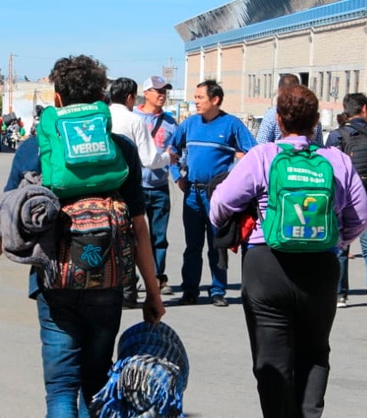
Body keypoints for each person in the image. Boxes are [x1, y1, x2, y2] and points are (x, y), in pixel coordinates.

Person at [0, 54, 165, 418]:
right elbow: (140, 226)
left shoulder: (36, 146)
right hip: (109, 285)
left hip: (54, 284)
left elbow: (9, 216)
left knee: (61, 389)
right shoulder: (120, 148)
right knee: (94, 383)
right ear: (100, 98)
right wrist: (153, 290)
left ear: (57, 99)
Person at [209, 85, 367, 418]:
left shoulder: (262, 157)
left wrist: (234, 225)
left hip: (268, 265)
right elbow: (361, 216)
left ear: (278, 120)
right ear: (317, 123)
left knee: (272, 357)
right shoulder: (336, 161)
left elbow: (220, 205)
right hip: (320, 265)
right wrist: (336, 242)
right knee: (315, 349)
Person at [169, 79, 256, 307]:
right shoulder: (189, 124)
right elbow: (172, 151)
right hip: (192, 195)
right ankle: (190, 290)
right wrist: (177, 176)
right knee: (192, 246)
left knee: (218, 244)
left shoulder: (231, 125)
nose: (195, 102)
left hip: (218, 196)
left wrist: (235, 177)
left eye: (200, 97)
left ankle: (218, 290)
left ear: (215, 99)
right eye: (195, 97)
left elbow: (253, 152)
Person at [108, 77, 174, 307]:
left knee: (116, 238)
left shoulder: (102, 117)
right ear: (130, 97)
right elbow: (149, 159)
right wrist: (169, 157)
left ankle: (120, 285)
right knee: (140, 234)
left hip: (107, 188)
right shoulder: (134, 120)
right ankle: (137, 291)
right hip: (131, 186)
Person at [326, 93, 367, 313]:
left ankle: (339, 294)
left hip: (342, 196)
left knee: (341, 244)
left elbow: (329, 168)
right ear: (364, 109)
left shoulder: (336, 136)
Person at [135, 75, 179, 297]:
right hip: (136, 186)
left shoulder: (171, 123)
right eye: (158, 91)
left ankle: (157, 277)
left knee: (159, 237)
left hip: (160, 187)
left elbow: (178, 153)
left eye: (165, 92)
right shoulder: (133, 118)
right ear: (147, 93)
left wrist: (180, 176)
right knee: (132, 235)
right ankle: (130, 279)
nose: (162, 95)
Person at [255, 73, 323, 146]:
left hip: (277, 155)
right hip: (309, 155)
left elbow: (261, 143)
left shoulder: (272, 114)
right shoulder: (311, 112)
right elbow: (319, 146)